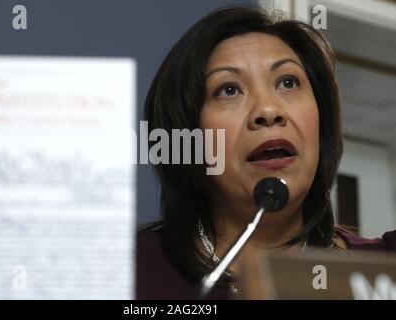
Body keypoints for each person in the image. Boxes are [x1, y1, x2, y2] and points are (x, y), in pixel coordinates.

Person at [137, 5, 396, 299]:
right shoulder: (127, 272)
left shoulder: (385, 267)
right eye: (229, 90)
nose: (268, 110)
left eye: (288, 82)